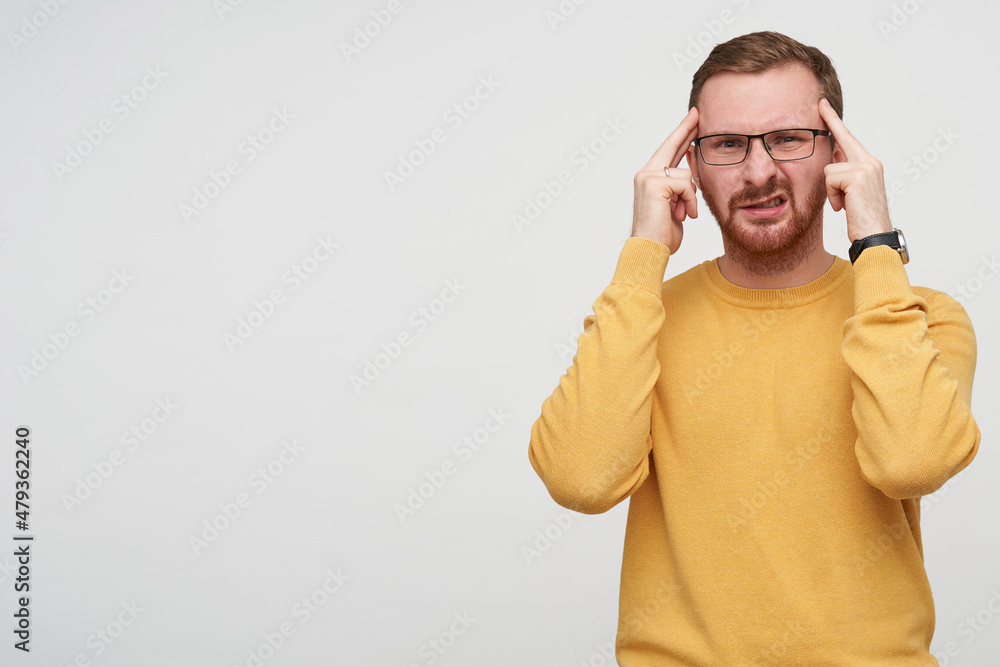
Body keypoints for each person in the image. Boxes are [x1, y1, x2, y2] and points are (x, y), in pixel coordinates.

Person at [527, 31, 980, 665]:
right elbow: (582, 479)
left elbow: (912, 462)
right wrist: (643, 254)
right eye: (727, 144)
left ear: (838, 153)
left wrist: (876, 244)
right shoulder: (642, 318)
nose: (759, 171)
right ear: (690, 165)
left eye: (789, 139)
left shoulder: (920, 317)